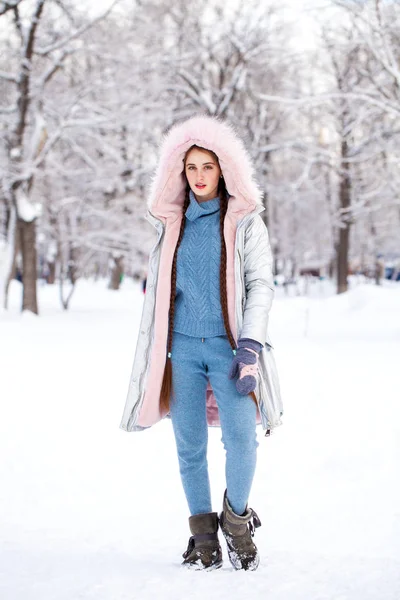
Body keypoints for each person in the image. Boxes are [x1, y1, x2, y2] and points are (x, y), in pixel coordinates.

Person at [120, 114, 283, 572]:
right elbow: (164, 284)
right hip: (183, 352)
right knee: (189, 445)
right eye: (191, 167)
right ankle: (203, 536)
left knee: (242, 440)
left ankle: (235, 520)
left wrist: (251, 344)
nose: (199, 176)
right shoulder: (172, 224)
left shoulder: (244, 223)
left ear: (223, 169)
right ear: (180, 171)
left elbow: (261, 285)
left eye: (207, 166)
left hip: (231, 351)